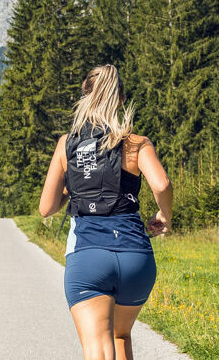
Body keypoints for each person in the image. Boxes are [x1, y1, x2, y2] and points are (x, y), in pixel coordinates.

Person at [38, 64, 173, 360]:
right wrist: (164, 216)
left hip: (89, 256)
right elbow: (162, 184)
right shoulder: (136, 143)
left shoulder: (67, 145)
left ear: (85, 96)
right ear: (121, 99)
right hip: (136, 258)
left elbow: (46, 208)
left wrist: (74, 188)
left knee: (98, 348)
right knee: (120, 335)